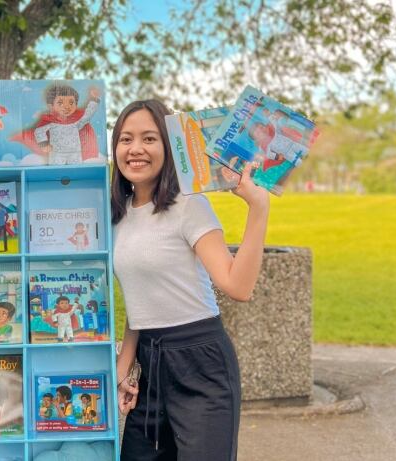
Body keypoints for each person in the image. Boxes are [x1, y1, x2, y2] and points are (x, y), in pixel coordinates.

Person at [112, 100, 270, 460]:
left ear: (169, 148)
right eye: (126, 139)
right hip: (150, 365)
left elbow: (237, 286)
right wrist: (124, 368)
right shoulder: (117, 216)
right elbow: (140, 299)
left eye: (149, 138)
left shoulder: (189, 205)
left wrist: (258, 209)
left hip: (201, 361)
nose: (136, 149)